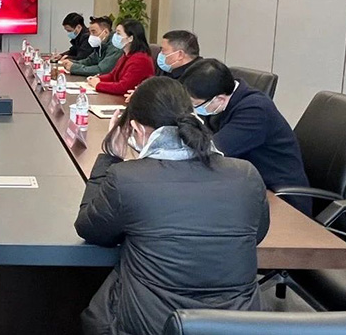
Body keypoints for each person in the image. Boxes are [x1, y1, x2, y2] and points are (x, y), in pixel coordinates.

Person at [75, 77, 269, 335]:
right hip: (236, 327)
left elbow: (90, 228)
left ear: (137, 129)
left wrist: (110, 155)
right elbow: (256, 234)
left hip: (150, 326)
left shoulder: (128, 178)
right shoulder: (246, 174)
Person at [180, 58, 311, 214]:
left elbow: (211, 150)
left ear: (219, 98)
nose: (193, 108)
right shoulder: (220, 103)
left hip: (281, 200)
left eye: (195, 104)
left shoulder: (255, 110)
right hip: (246, 185)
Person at [86, 19, 155, 95]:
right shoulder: (126, 55)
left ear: (130, 38)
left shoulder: (141, 59)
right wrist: (98, 79)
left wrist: (98, 85)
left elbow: (123, 87)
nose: (115, 36)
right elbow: (113, 76)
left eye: (118, 33)